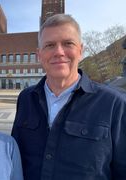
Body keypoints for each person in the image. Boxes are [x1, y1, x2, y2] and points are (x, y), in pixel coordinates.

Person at [11, 14, 126, 180]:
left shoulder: (115, 104)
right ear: (39, 55)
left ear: (80, 50)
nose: (59, 52)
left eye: (67, 43)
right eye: (50, 45)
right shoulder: (26, 99)